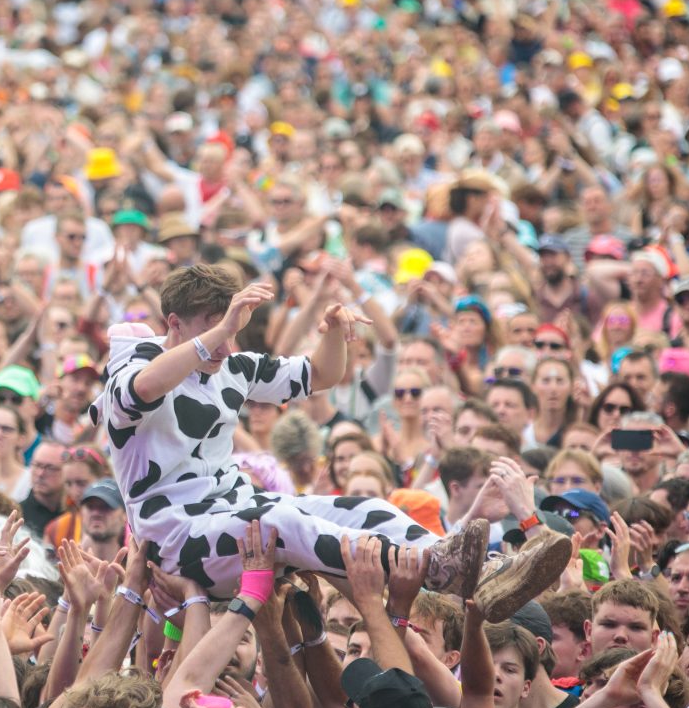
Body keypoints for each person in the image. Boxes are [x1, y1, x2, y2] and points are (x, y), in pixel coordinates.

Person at [96, 263, 567, 615]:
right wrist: (222, 330)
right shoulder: (133, 362)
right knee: (278, 519)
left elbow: (320, 375)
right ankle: (438, 568)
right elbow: (143, 390)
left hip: (235, 514)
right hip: (176, 541)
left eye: (232, 329)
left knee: (366, 508)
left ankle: (474, 568)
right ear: (175, 323)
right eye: (213, 327)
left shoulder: (231, 367)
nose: (225, 343)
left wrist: (334, 334)